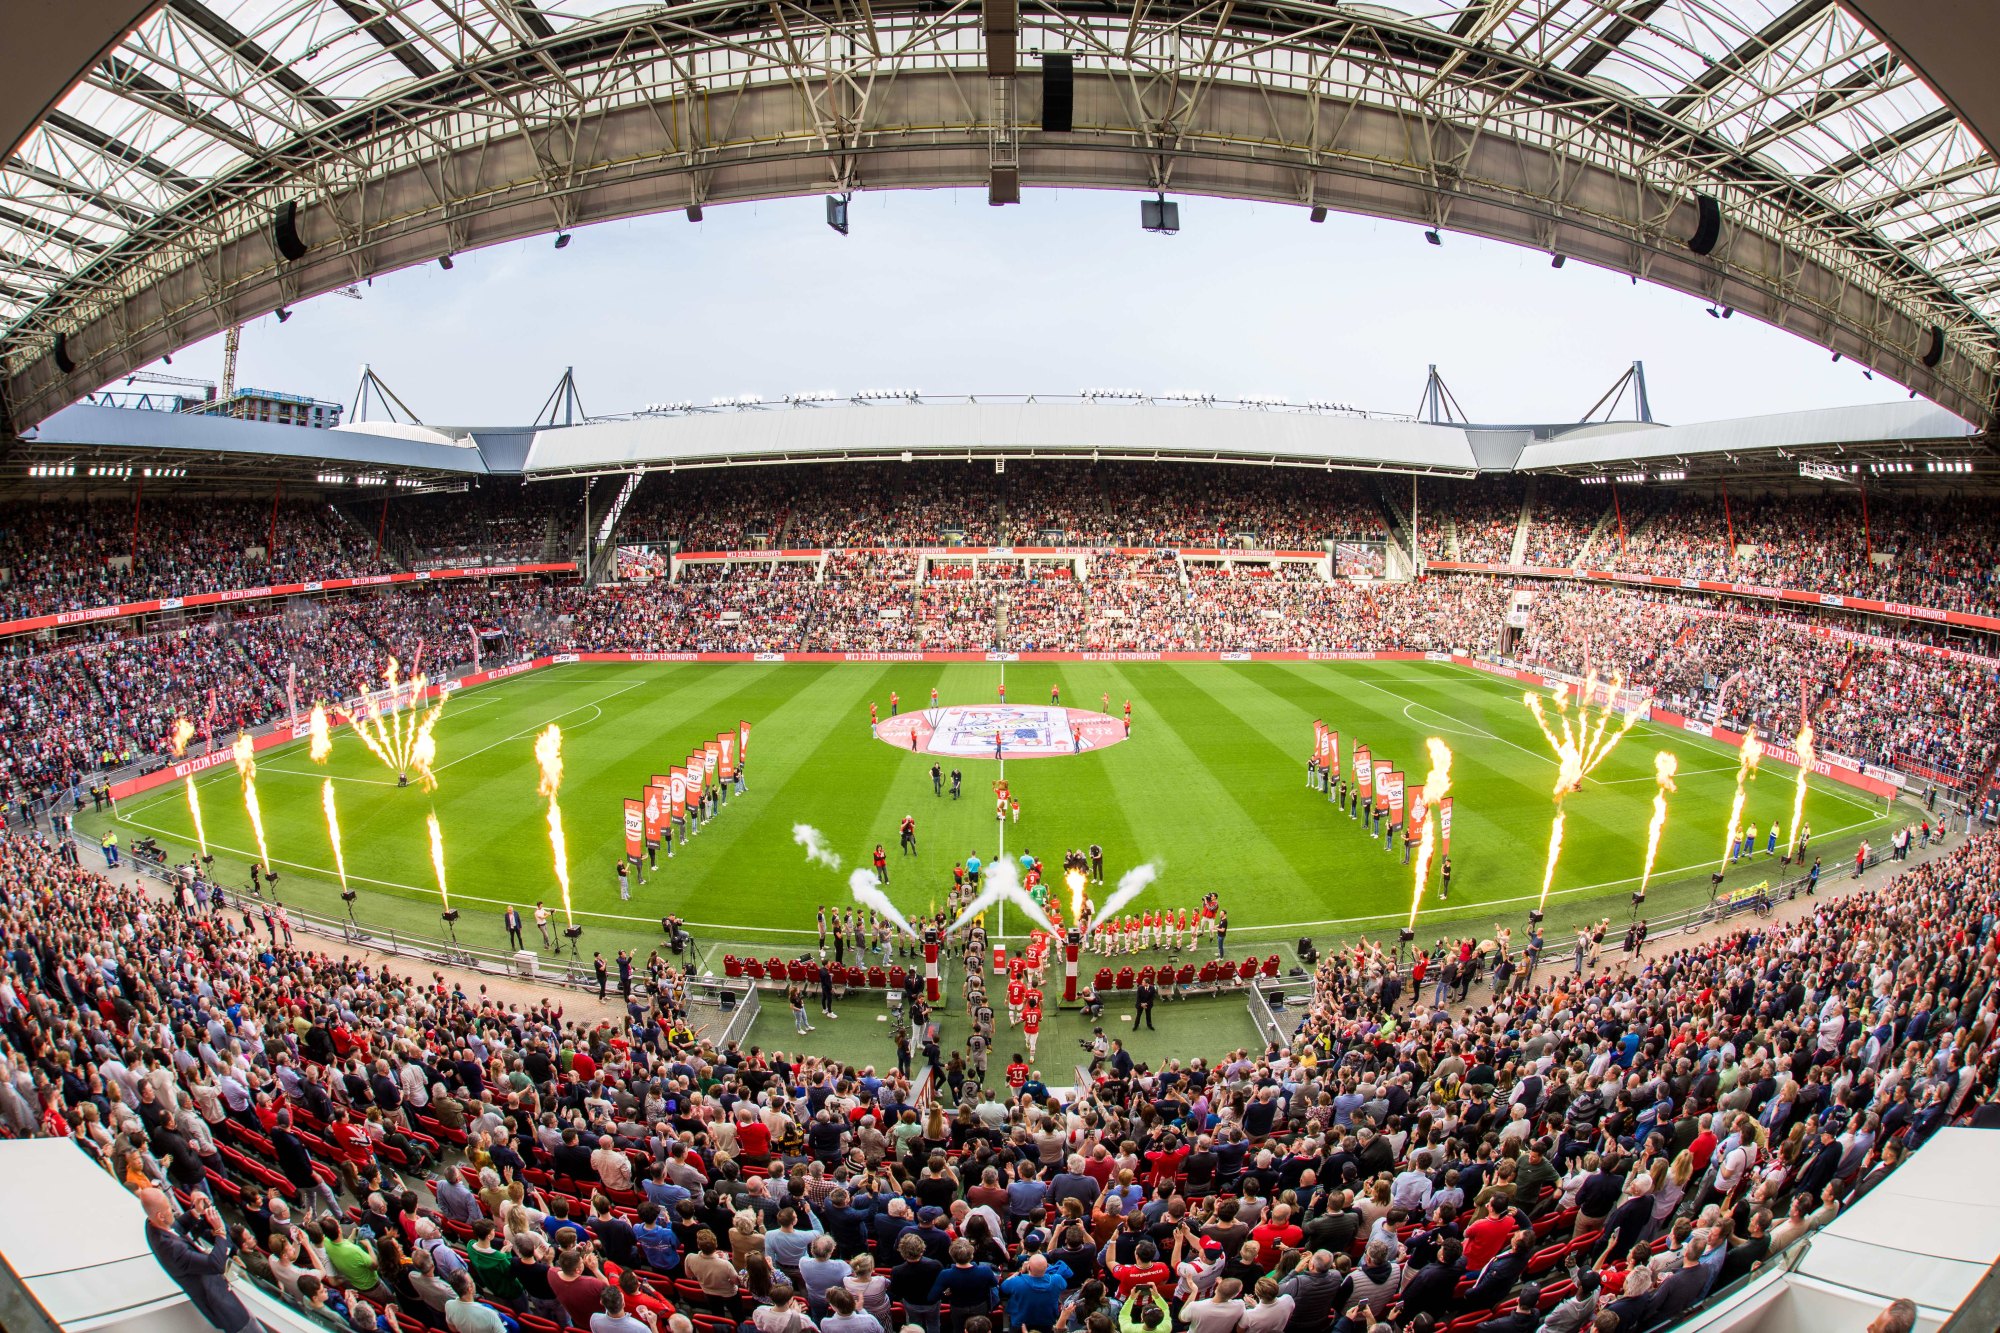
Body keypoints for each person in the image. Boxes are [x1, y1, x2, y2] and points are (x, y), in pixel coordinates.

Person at [139, 1187, 263, 1333]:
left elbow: (176, 1228)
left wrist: (195, 1211)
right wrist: (220, 1231)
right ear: (160, 1216)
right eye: (168, 1208)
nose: (172, 1209)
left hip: (218, 1295)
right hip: (223, 1306)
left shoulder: (151, 1225)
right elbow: (216, 1264)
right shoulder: (173, 1249)